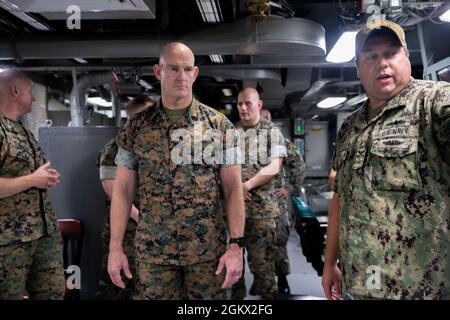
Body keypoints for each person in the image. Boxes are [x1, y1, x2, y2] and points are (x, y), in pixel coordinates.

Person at [322, 20, 450, 300]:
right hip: (364, 282)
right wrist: (330, 261)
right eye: (371, 57)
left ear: (406, 56)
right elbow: (340, 198)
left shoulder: (432, 103)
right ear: (358, 67)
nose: (382, 64)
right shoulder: (350, 127)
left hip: (421, 287)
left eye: (391, 53)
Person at [107, 42, 245, 300]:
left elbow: (233, 188)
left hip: (207, 252)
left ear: (195, 74)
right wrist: (115, 247)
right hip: (154, 254)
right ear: (158, 72)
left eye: (186, 69)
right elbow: (123, 190)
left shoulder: (219, 126)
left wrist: (236, 245)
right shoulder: (136, 128)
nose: (181, 76)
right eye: (173, 69)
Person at [0, 69, 65, 299]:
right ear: (15, 91)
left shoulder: (23, 131)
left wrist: (43, 179)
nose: (34, 97)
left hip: (43, 233)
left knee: (53, 293)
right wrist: (32, 179)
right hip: (10, 240)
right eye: (30, 91)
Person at [95, 95, 155, 299]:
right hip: (125, 231)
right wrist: (142, 218)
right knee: (116, 287)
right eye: (144, 116)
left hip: (150, 232)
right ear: (131, 119)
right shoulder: (115, 148)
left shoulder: (153, 146)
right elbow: (114, 191)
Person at [232, 89, 287, 300]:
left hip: (262, 212)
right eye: (239, 104)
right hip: (233, 211)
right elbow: (217, 168)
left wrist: (246, 186)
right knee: (233, 268)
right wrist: (236, 189)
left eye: (248, 103)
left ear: (259, 105)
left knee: (263, 268)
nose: (243, 108)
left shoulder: (272, 133)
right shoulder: (230, 132)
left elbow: (274, 167)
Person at [260, 109, 306, 294]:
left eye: (265, 120)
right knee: (257, 247)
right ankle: (263, 284)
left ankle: (282, 280)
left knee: (278, 242)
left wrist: (290, 188)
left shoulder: (281, 143)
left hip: (276, 203)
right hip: (253, 204)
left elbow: (299, 165)